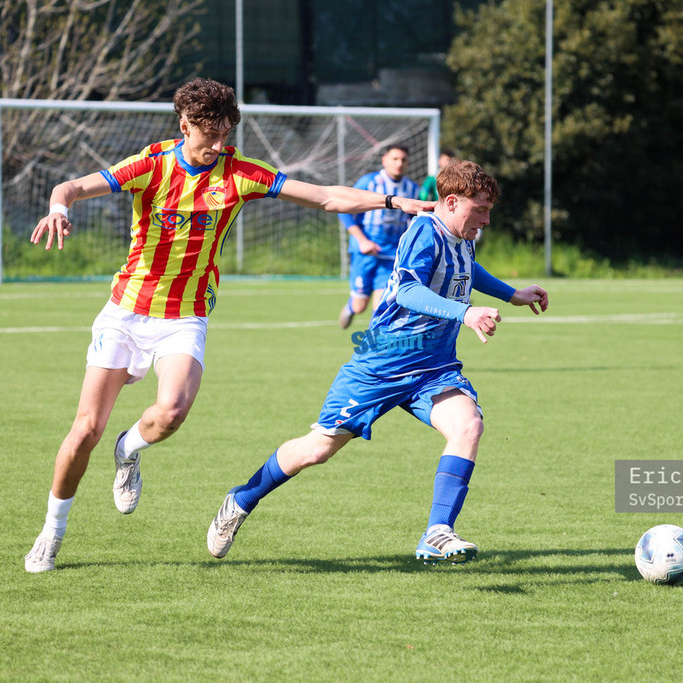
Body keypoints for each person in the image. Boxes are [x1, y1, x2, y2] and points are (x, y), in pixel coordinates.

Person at [23, 78, 434, 573]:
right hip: (127, 310)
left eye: (226, 135)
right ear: (185, 125)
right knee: (85, 429)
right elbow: (70, 187)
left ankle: (128, 449)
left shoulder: (240, 172)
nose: (220, 145)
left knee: (171, 412)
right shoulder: (151, 165)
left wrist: (391, 202)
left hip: (186, 314)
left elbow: (325, 196)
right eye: (210, 135)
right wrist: (59, 207)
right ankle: (51, 533)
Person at [206, 159, 549, 565]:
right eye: (481, 210)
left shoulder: (462, 233)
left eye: (489, 210)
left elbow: (466, 269)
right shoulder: (424, 231)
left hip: (433, 368)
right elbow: (406, 290)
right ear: (452, 202)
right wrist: (466, 313)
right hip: (381, 364)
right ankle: (241, 500)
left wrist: (512, 294)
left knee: (468, 425)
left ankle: (437, 532)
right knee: (317, 450)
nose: (486, 220)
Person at [337, 144, 421, 329]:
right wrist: (363, 241)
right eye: (395, 159)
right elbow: (343, 211)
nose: (399, 163)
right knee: (360, 306)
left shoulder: (412, 189)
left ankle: (374, 341)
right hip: (364, 253)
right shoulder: (368, 183)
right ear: (384, 160)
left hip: (390, 255)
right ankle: (351, 307)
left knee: (382, 306)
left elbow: (413, 221)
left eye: (403, 160)